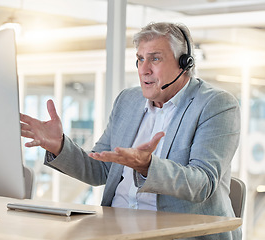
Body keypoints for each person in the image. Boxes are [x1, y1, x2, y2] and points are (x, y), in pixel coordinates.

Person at [20, 22, 241, 239]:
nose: (144, 69)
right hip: (115, 230)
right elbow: (101, 169)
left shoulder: (216, 105)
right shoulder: (128, 100)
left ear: (184, 63)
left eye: (155, 58)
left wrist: (147, 167)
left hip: (178, 234)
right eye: (140, 59)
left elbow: (203, 183)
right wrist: (59, 145)